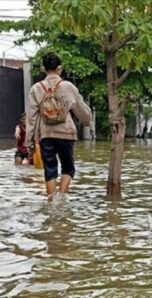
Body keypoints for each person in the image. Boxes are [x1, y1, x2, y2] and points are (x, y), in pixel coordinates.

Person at [26, 52, 91, 200]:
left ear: (43, 69)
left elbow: (31, 117)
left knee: (50, 168)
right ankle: (61, 197)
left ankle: (51, 198)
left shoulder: (36, 88)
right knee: (68, 167)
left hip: (45, 134)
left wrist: (29, 141)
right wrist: (87, 122)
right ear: (60, 68)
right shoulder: (68, 87)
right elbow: (82, 110)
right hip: (66, 133)